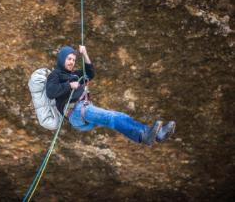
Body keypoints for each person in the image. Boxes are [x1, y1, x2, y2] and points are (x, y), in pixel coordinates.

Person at [46, 45, 175, 145]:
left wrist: (85, 54)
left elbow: (90, 73)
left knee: (120, 116)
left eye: (74, 60)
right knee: (112, 118)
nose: (72, 62)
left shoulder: (74, 75)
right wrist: (69, 85)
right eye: (69, 59)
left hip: (82, 110)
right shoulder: (55, 75)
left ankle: (156, 135)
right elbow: (50, 92)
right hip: (75, 111)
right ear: (62, 59)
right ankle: (143, 136)